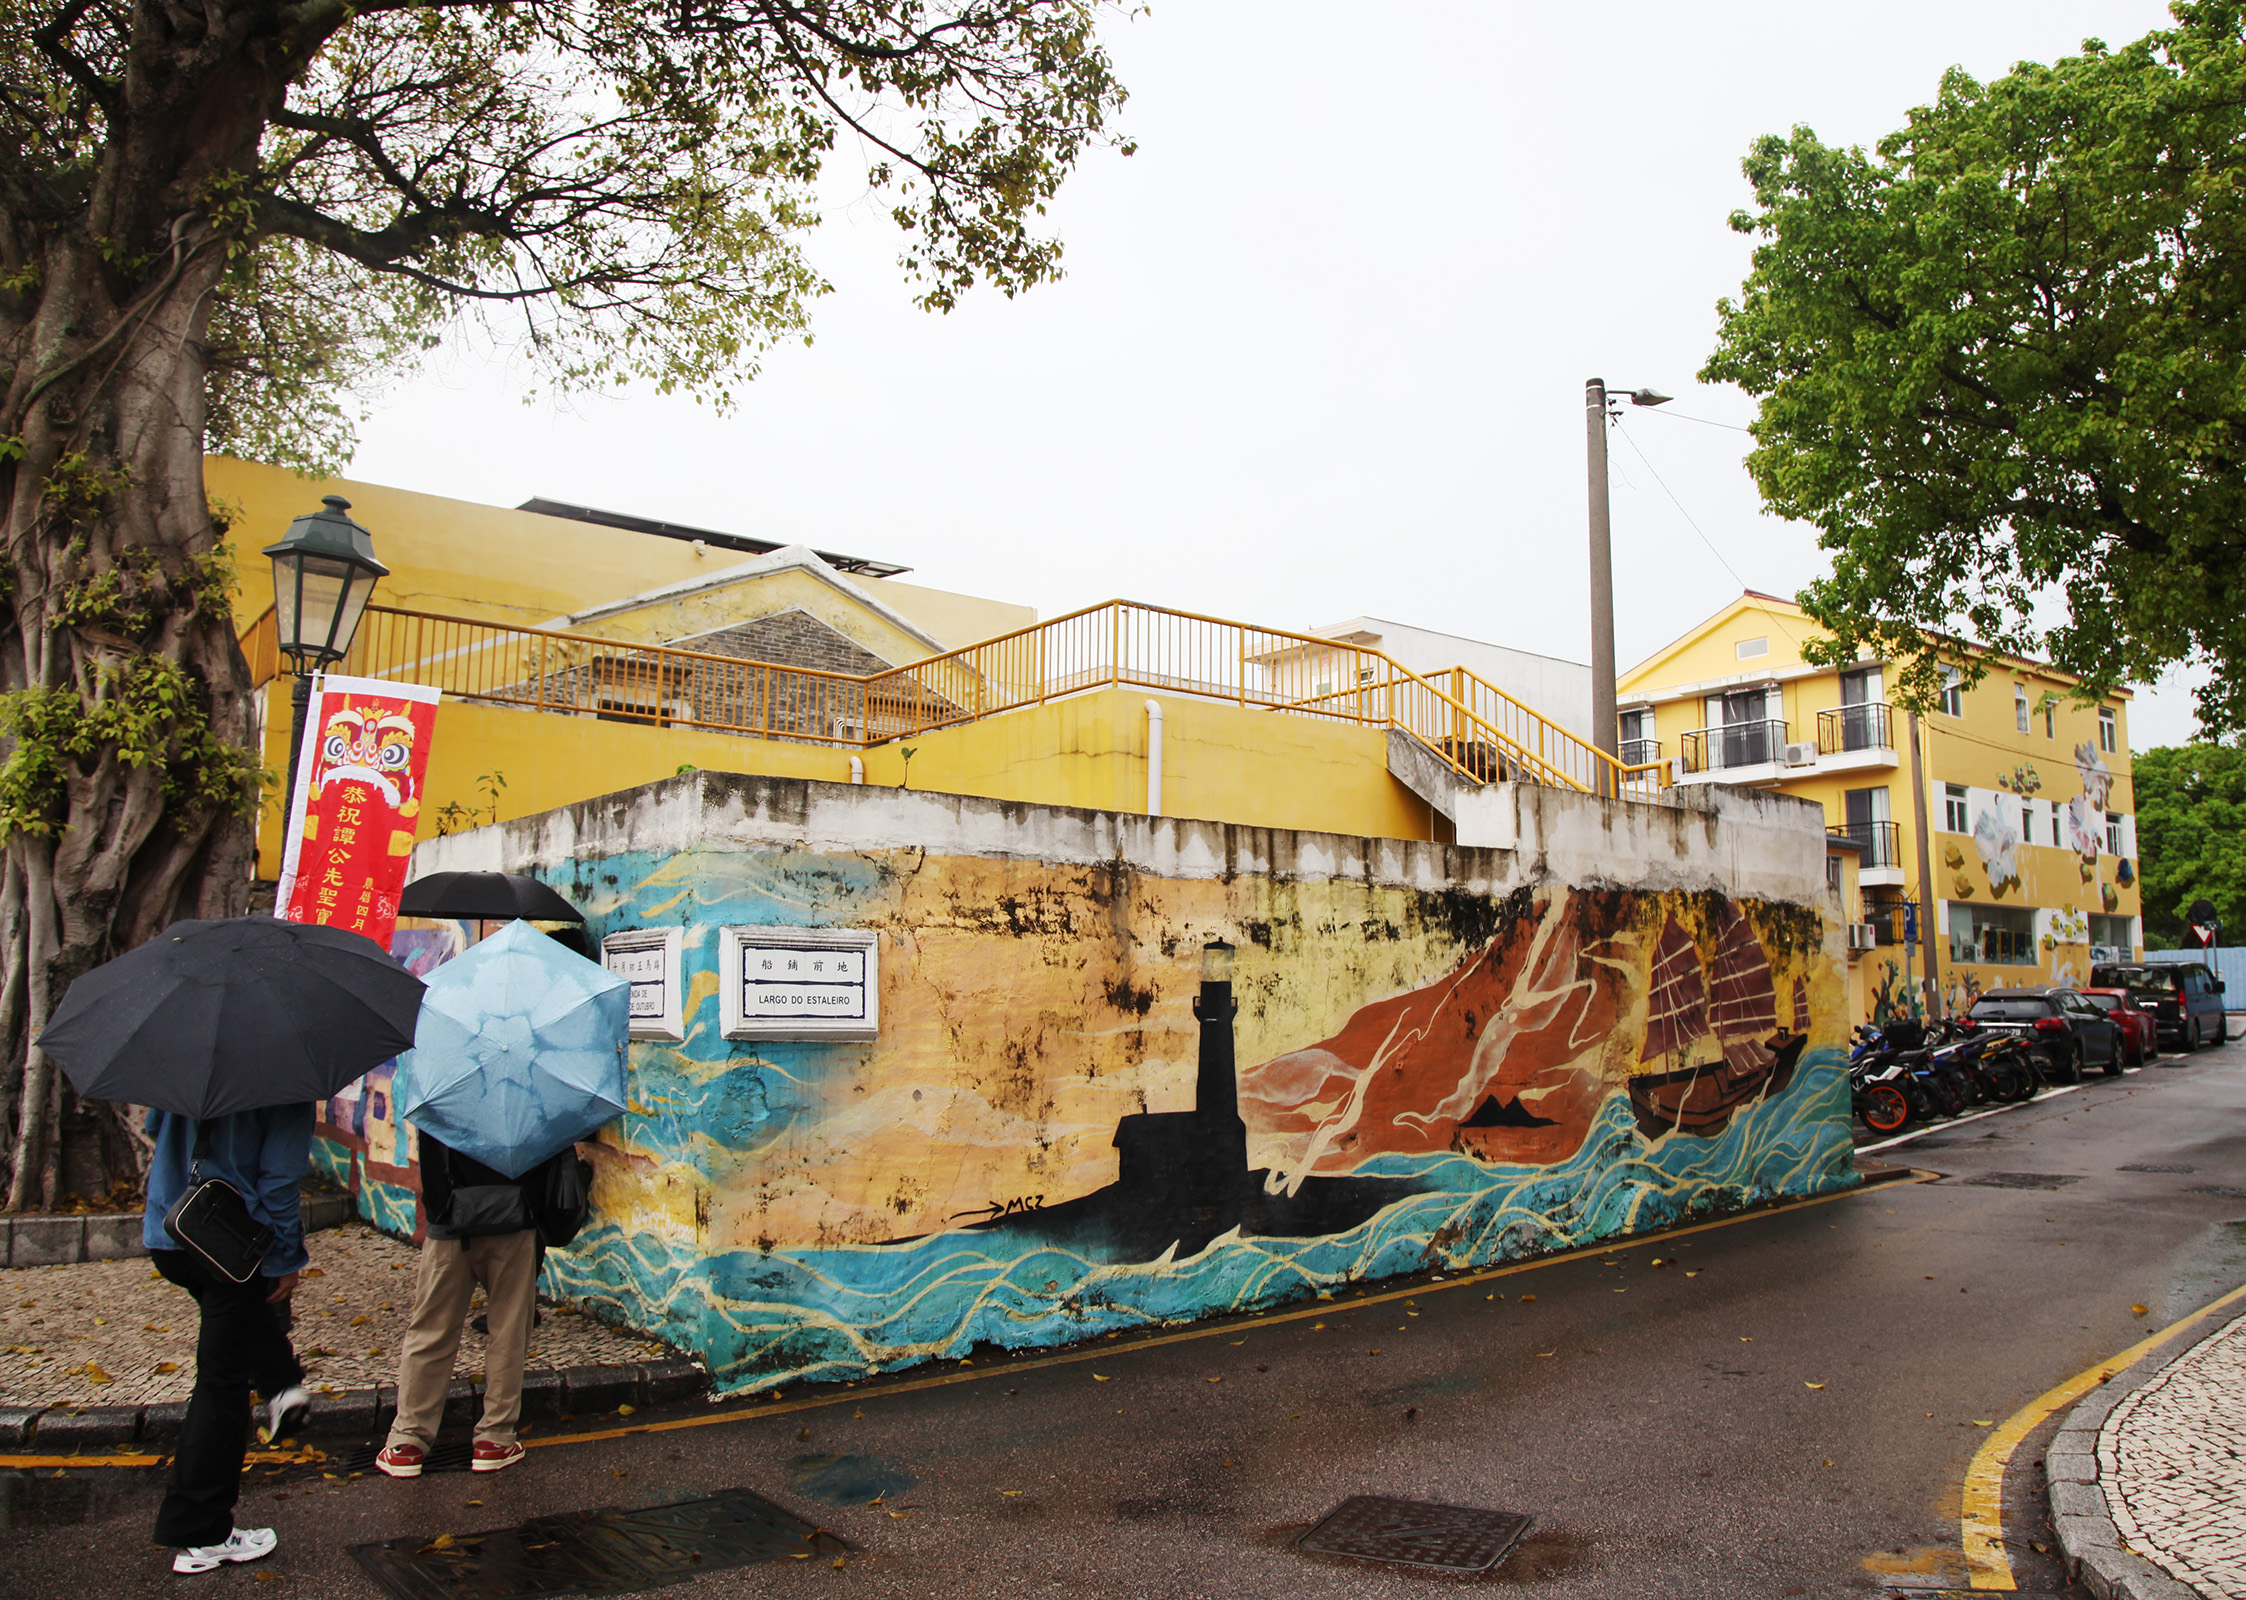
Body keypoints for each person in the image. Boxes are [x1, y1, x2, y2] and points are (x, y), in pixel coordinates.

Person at [142, 1105, 315, 1575]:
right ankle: (201, 1532)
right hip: (225, 1240)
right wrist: (284, 1259)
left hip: (172, 1227)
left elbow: (156, 1127)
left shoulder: (186, 1055)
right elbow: (278, 1183)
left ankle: (282, 1386)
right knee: (221, 1383)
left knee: (236, 1322)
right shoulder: (287, 1084)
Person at [376, 1132, 566, 1477]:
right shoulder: (529, 1085)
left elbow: (431, 1154)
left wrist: (439, 1207)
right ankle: (494, 1439)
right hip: (515, 1217)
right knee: (508, 1331)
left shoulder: (443, 1083)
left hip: (451, 1222)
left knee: (431, 1330)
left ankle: (407, 1440)